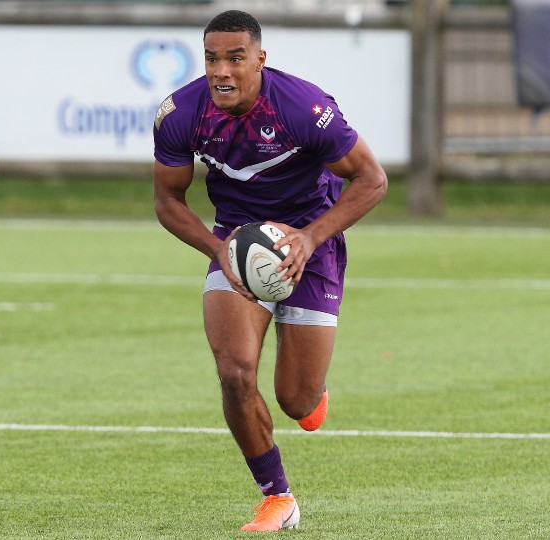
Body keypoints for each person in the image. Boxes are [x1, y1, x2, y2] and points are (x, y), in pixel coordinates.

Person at [152, 9, 387, 532]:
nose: (222, 72)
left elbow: (371, 180)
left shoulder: (305, 107)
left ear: (260, 59)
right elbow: (168, 201)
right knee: (235, 370)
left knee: (295, 399)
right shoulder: (180, 113)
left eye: (236, 59)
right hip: (236, 242)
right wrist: (218, 251)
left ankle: (313, 392)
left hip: (312, 243)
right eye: (212, 59)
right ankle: (277, 496)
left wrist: (309, 238)